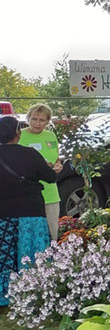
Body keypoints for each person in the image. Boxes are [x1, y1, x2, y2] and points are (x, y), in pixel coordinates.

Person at [0, 116, 57, 305]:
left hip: (3, 213)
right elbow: (50, 178)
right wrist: (53, 167)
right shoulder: (31, 154)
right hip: (31, 211)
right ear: (18, 133)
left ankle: (5, 292)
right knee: (32, 252)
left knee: (5, 253)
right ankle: (34, 291)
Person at [18, 104, 64, 241]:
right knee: (30, 231)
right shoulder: (20, 136)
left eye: (42, 120)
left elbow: (56, 158)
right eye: (34, 119)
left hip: (50, 191)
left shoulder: (50, 136)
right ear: (28, 119)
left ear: (47, 121)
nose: (37, 123)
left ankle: (54, 259)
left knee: (52, 228)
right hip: (28, 192)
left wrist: (57, 165)